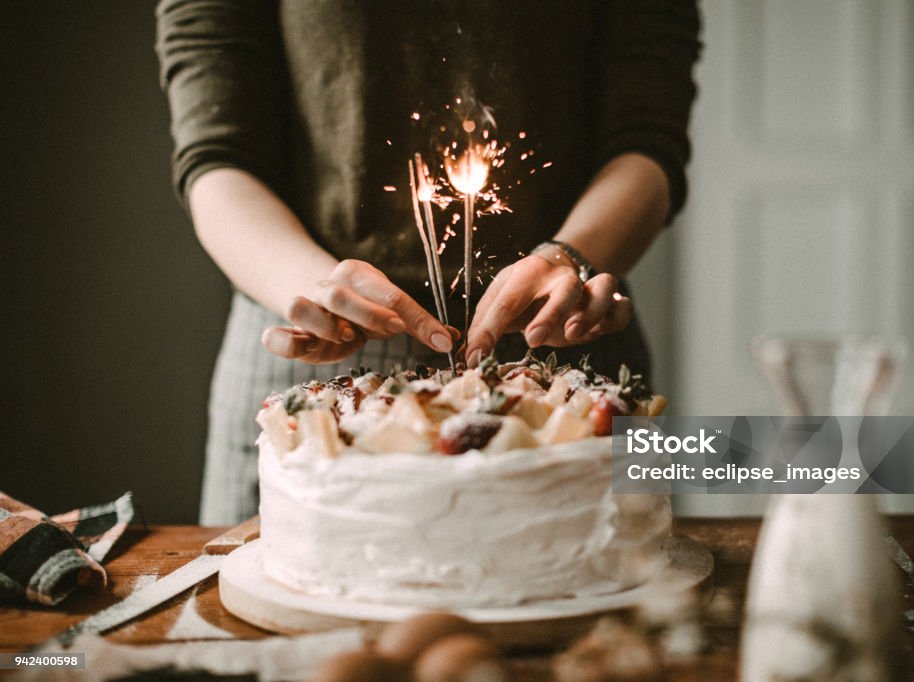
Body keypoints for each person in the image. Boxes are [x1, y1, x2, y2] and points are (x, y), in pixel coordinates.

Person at [156, 0, 701, 524]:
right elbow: (217, 154)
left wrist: (571, 258)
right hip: (311, 350)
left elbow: (647, 137)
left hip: (566, 344)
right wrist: (317, 288)